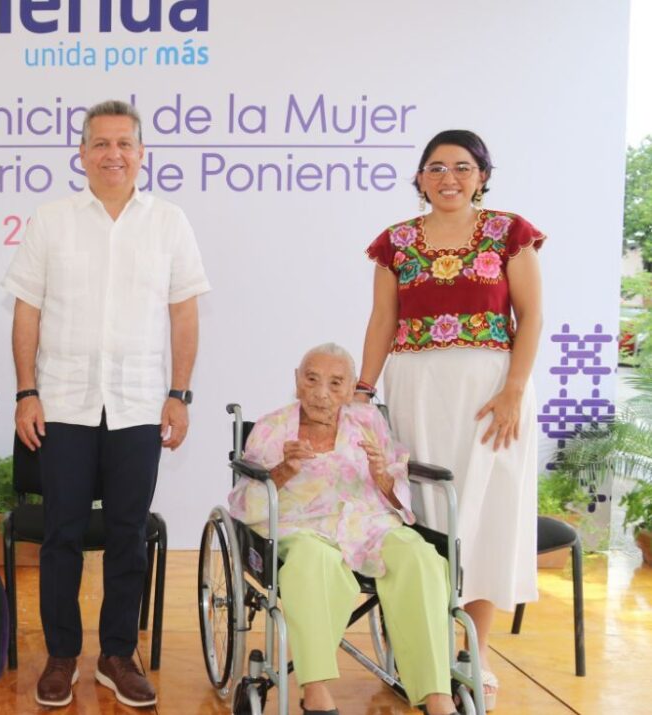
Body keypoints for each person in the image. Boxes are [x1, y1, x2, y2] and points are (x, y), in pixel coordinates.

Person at [3, 99, 210, 709]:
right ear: (82, 153)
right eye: (100, 144)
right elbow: (27, 312)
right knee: (62, 534)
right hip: (62, 403)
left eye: (124, 144)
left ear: (142, 154)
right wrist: (25, 391)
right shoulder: (51, 219)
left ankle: (117, 654)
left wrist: (178, 393)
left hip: (140, 404)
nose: (112, 154)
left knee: (128, 534)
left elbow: (184, 312)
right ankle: (62, 655)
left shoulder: (169, 221)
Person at [358, 129, 544, 710]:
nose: (449, 178)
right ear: (419, 178)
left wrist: (514, 389)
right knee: (427, 515)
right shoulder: (395, 243)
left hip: (491, 394)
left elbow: (532, 316)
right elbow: (382, 322)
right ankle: (427, 648)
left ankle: (476, 652)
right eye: (435, 168)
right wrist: (364, 392)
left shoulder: (510, 233)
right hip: (416, 389)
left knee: (483, 516)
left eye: (462, 167)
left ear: (482, 176)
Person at [229, 344, 459, 715]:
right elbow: (246, 501)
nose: (322, 393)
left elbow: (395, 484)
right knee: (312, 559)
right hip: (302, 524)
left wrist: (384, 477)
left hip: (367, 522)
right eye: (312, 379)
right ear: (297, 381)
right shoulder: (272, 428)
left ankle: (437, 695)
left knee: (421, 558)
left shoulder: (368, 423)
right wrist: (284, 469)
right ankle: (316, 689)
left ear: (353, 389)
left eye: (336, 384)